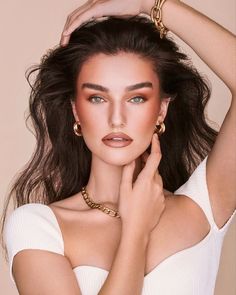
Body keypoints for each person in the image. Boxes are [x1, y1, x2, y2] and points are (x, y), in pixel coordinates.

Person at [1, 0, 235, 294]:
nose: (116, 119)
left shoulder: (202, 208)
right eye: (97, 98)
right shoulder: (38, 227)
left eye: (136, 98)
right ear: (76, 111)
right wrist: (135, 232)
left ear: (161, 111)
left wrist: (149, 3)